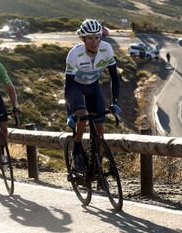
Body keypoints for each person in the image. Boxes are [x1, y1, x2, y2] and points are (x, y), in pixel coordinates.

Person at [65, 19, 121, 173]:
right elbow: (68, 86)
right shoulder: (74, 54)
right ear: (82, 39)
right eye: (90, 38)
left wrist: (115, 102)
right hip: (76, 86)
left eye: (97, 37)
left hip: (93, 86)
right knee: (82, 117)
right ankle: (76, 148)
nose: (94, 42)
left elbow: (114, 78)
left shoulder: (107, 49)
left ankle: (97, 167)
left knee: (100, 129)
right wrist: (70, 112)